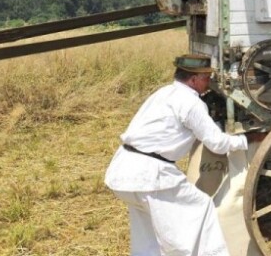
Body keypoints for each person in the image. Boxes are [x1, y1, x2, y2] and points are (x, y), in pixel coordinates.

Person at [105, 54, 249, 255]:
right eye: (206, 77)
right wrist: (247, 141)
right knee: (198, 211)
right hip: (151, 177)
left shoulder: (163, 93)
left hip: (124, 171)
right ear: (193, 79)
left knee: (147, 235)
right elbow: (217, 143)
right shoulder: (192, 103)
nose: (209, 82)